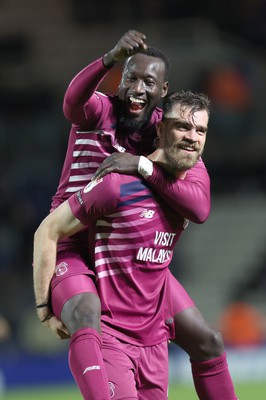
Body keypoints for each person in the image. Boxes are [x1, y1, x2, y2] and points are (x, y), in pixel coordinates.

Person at [36, 30, 237, 399]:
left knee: (207, 340)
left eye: (149, 82)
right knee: (86, 312)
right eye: (130, 78)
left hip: (124, 246)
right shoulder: (100, 110)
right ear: (120, 80)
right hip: (75, 240)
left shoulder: (164, 130)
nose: (138, 89)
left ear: (163, 90)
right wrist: (109, 57)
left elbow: (200, 205)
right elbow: (71, 103)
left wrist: (142, 165)